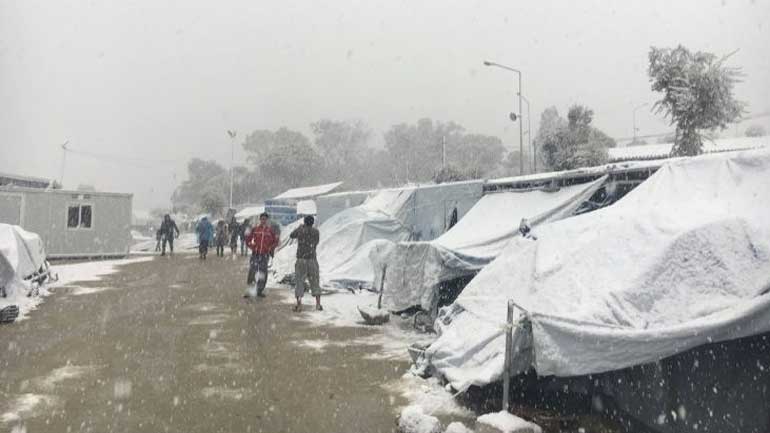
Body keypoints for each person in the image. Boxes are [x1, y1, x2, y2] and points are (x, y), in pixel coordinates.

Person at [290, 215, 321, 312]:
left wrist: (300, 228)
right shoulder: (316, 232)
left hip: (301, 259)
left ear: (304, 222)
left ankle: (299, 305)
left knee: (299, 281)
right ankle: (318, 304)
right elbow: (316, 243)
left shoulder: (300, 230)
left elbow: (291, 235)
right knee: (315, 281)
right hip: (312, 259)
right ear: (312, 223)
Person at [245, 213, 278, 298]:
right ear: (260, 220)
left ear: (267, 220)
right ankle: (250, 291)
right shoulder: (255, 229)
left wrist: (270, 248)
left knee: (262, 273)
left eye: (265, 219)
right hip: (255, 254)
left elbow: (275, 241)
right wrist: (252, 247)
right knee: (252, 272)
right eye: (262, 219)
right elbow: (248, 239)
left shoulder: (270, 231)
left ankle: (259, 290)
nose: (263, 221)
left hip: (264, 255)